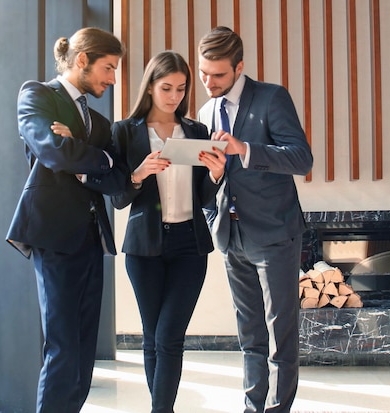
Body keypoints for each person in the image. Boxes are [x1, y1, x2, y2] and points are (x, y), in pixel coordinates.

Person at [5, 27, 127, 413]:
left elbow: (119, 178)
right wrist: (95, 157)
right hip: (54, 235)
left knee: (83, 346)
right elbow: (52, 150)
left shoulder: (100, 124)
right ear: (82, 60)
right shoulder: (36, 94)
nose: (112, 79)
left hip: (92, 238)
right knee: (61, 344)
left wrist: (87, 155)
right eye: (108, 68)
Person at [196, 26, 314, 412]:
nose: (208, 82)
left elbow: (301, 158)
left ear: (239, 67)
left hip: (275, 234)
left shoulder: (271, 98)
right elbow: (212, 178)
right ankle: (252, 408)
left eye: (218, 75)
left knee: (281, 335)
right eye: (203, 73)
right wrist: (213, 194)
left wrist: (245, 148)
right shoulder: (205, 111)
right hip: (231, 237)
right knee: (249, 336)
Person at [110, 50, 226, 413]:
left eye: (181, 88)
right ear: (149, 88)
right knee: (152, 337)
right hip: (144, 247)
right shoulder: (125, 132)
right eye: (166, 88)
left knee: (169, 337)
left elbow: (204, 198)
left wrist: (217, 176)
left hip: (190, 246)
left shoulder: (196, 132)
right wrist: (137, 175)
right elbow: (117, 199)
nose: (174, 96)